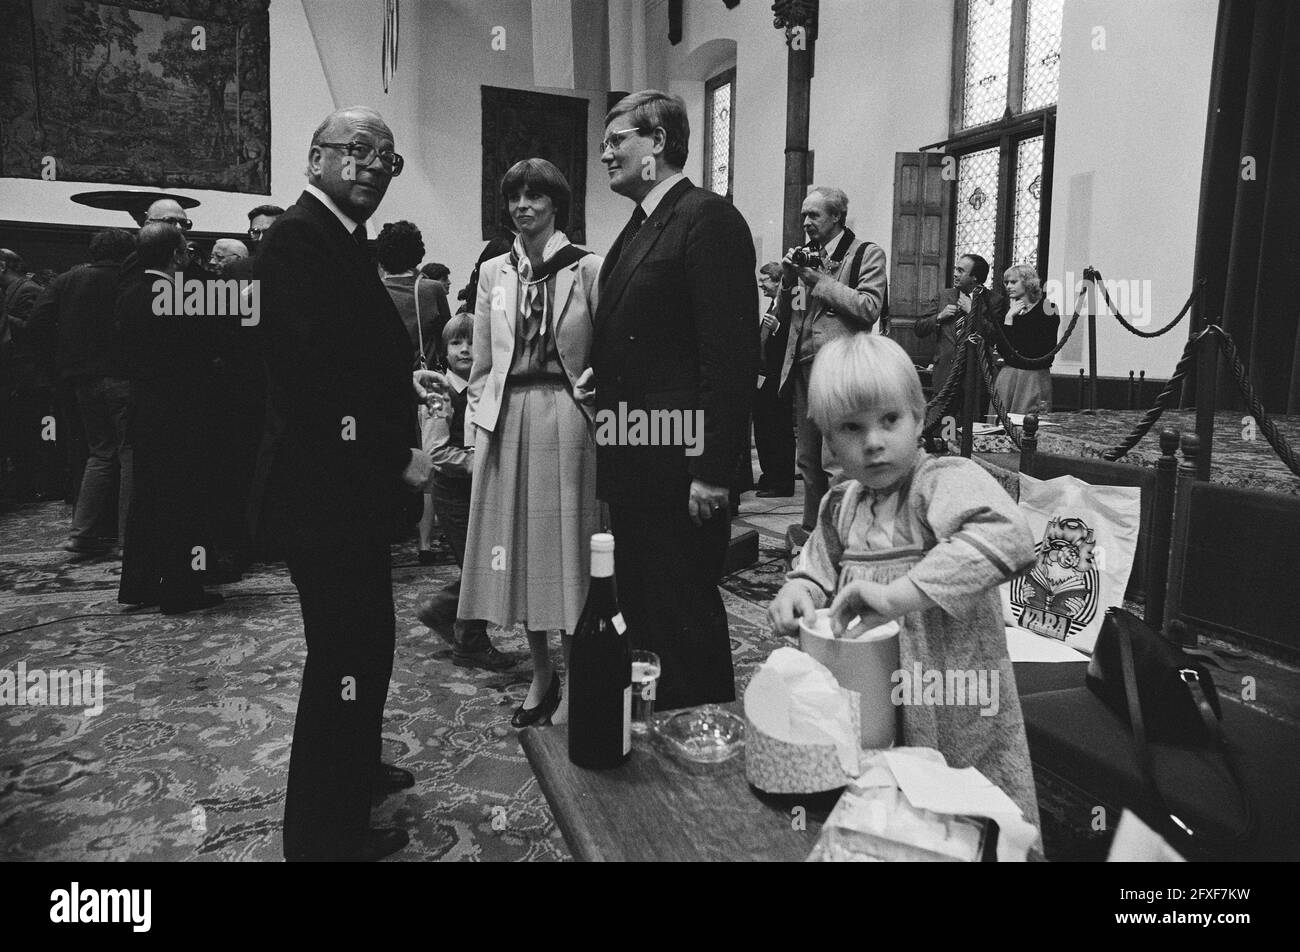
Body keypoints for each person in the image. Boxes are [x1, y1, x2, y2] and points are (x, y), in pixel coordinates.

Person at [767, 333, 1040, 831]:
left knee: (960, 808)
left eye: (889, 420)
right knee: (877, 802)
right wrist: (797, 593)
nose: (873, 441)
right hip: (864, 689)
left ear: (918, 417)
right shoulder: (839, 505)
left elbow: (1012, 538)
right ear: (829, 441)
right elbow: (815, 571)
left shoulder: (941, 482)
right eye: (852, 427)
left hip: (946, 687)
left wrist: (899, 596)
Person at [255, 106, 430, 862]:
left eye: (384, 158)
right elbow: (313, 380)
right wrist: (396, 455)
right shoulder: (297, 238)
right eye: (355, 150)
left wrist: (404, 376)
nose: (369, 166)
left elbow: (353, 351)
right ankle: (322, 837)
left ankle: (355, 771)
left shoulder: (340, 238)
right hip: (327, 491)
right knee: (343, 656)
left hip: (345, 492)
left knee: (369, 645)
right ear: (315, 158)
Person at [589, 90, 757, 711]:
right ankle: (657, 740)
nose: (606, 153)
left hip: (682, 468)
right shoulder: (637, 227)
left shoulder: (708, 218)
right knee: (643, 612)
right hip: (635, 456)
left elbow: (730, 358)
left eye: (617, 141)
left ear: (657, 143)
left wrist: (713, 471)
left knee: (684, 614)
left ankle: (702, 746)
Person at [457, 157, 602, 727]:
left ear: (556, 204)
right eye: (514, 197)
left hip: (567, 417)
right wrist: (476, 428)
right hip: (507, 416)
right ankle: (542, 675)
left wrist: (604, 388)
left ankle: (581, 674)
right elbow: (480, 362)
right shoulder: (494, 272)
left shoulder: (588, 267)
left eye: (534, 196)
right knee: (518, 551)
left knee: (567, 547)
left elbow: (612, 346)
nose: (523, 206)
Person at [116, 223, 222, 612]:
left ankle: (139, 584)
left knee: (148, 501)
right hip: (183, 412)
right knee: (185, 503)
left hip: (145, 408)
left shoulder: (129, 294)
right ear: (176, 256)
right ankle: (182, 590)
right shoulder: (179, 296)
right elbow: (207, 348)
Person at [776, 186, 887, 531]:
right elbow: (788, 314)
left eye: (814, 215)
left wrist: (820, 281)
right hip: (804, 367)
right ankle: (812, 532)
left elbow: (869, 308)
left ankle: (842, 537)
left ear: (837, 216)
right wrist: (788, 281)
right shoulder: (805, 257)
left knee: (836, 460)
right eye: (803, 216)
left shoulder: (866, 254)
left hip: (840, 369)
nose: (806, 222)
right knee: (808, 460)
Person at [414, 313, 516, 672]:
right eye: (456, 343)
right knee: (480, 569)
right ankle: (467, 640)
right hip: (455, 493)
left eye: (473, 342)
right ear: (445, 349)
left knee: (489, 565)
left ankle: (444, 612)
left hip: (484, 491)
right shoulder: (440, 392)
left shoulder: (488, 389)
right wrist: (479, 462)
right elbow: (436, 451)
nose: (465, 349)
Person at [26, 229, 136, 555]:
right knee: (130, 454)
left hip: (81, 380)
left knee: (100, 454)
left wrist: (57, 367)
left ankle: (81, 533)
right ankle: (128, 540)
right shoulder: (129, 281)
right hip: (123, 376)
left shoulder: (66, 280)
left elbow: (35, 325)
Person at [377, 220, 453, 563]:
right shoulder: (432, 289)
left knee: (387, 457)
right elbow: (448, 332)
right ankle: (424, 545)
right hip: (428, 383)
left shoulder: (372, 288)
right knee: (429, 460)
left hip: (387, 384)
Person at [993, 264, 1060, 415]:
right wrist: (1009, 318)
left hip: (1032, 377)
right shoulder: (1009, 311)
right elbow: (1003, 350)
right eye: (1006, 282)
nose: (1008, 286)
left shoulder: (1047, 308)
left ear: (1028, 282)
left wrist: (1014, 354)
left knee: (1027, 424)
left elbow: (1040, 350)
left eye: (1013, 282)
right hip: (1008, 377)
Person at [753, 262, 795, 497]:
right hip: (764, 377)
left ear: (779, 282)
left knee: (778, 432)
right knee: (765, 431)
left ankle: (782, 483)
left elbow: (794, 339)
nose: (761, 284)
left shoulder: (788, 306)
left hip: (778, 378)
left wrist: (779, 328)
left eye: (766, 279)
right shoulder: (773, 305)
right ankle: (769, 477)